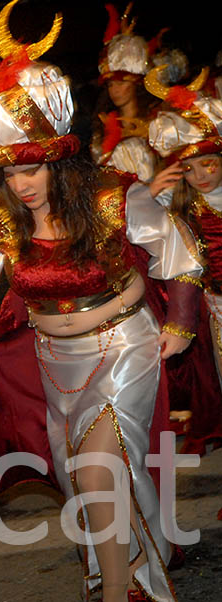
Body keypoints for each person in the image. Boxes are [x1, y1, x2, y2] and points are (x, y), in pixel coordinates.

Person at [0, 3, 202, 601]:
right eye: (10, 171)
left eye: (34, 167)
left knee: (99, 468)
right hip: (53, 363)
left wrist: (182, 323)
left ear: (61, 154)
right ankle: (126, 578)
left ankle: (118, 594)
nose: (23, 183)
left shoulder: (114, 198)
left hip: (124, 348)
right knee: (82, 482)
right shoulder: (1, 214)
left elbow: (180, 252)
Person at [146, 66, 222, 453]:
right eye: (188, 169)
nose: (200, 176)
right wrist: (149, 193)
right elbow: (138, 228)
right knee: (214, 378)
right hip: (214, 308)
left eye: (207, 163)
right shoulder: (183, 207)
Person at [90, 4, 158, 183]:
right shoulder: (104, 124)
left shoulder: (156, 119)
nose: (115, 90)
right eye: (111, 84)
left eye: (121, 83)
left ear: (135, 84)